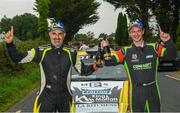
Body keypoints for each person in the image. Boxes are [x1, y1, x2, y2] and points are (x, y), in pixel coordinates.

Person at [101, 19, 177, 112]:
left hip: (152, 91)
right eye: (133, 32)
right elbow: (108, 62)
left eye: (138, 31)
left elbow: (172, 56)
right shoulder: (125, 51)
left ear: (143, 31)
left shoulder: (155, 47)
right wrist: (105, 48)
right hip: (135, 92)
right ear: (129, 34)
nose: (136, 34)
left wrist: (168, 41)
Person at [4, 20, 77, 112]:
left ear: (64, 35)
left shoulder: (72, 52)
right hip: (45, 100)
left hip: (66, 101)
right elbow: (18, 58)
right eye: (54, 33)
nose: (57, 37)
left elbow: (84, 70)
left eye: (60, 34)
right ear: (49, 34)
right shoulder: (40, 51)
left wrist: (100, 55)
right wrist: (10, 44)